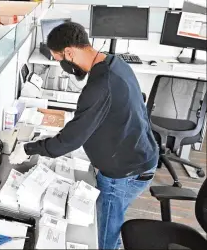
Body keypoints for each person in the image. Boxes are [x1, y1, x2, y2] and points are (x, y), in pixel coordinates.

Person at [9, 22, 158, 250]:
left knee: (103, 237)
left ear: (69, 52)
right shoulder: (112, 63)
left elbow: (69, 141)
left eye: (59, 60)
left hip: (124, 173)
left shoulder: (100, 85)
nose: (62, 66)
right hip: (137, 155)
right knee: (110, 225)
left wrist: (28, 149)